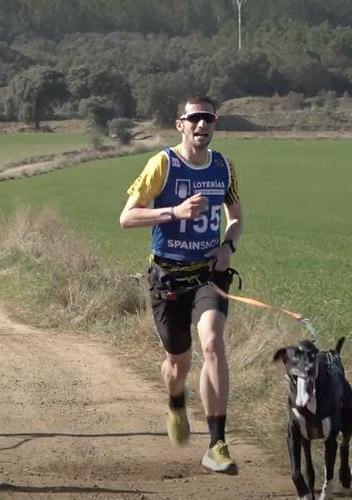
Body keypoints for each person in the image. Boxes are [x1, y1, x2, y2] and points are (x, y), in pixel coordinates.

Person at [118, 96, 243, 474]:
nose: (202, 126)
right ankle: (176, 402)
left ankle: (217, 443)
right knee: (178, 363)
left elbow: (235, 217)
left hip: (208, 275)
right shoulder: (163, 164)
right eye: (195, 119)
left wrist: (228, 245)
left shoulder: (223, 167)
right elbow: (126, 217)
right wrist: (174, 211)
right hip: (168, 278)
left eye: (209, 119)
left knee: (213, 343)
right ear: (180, 125)